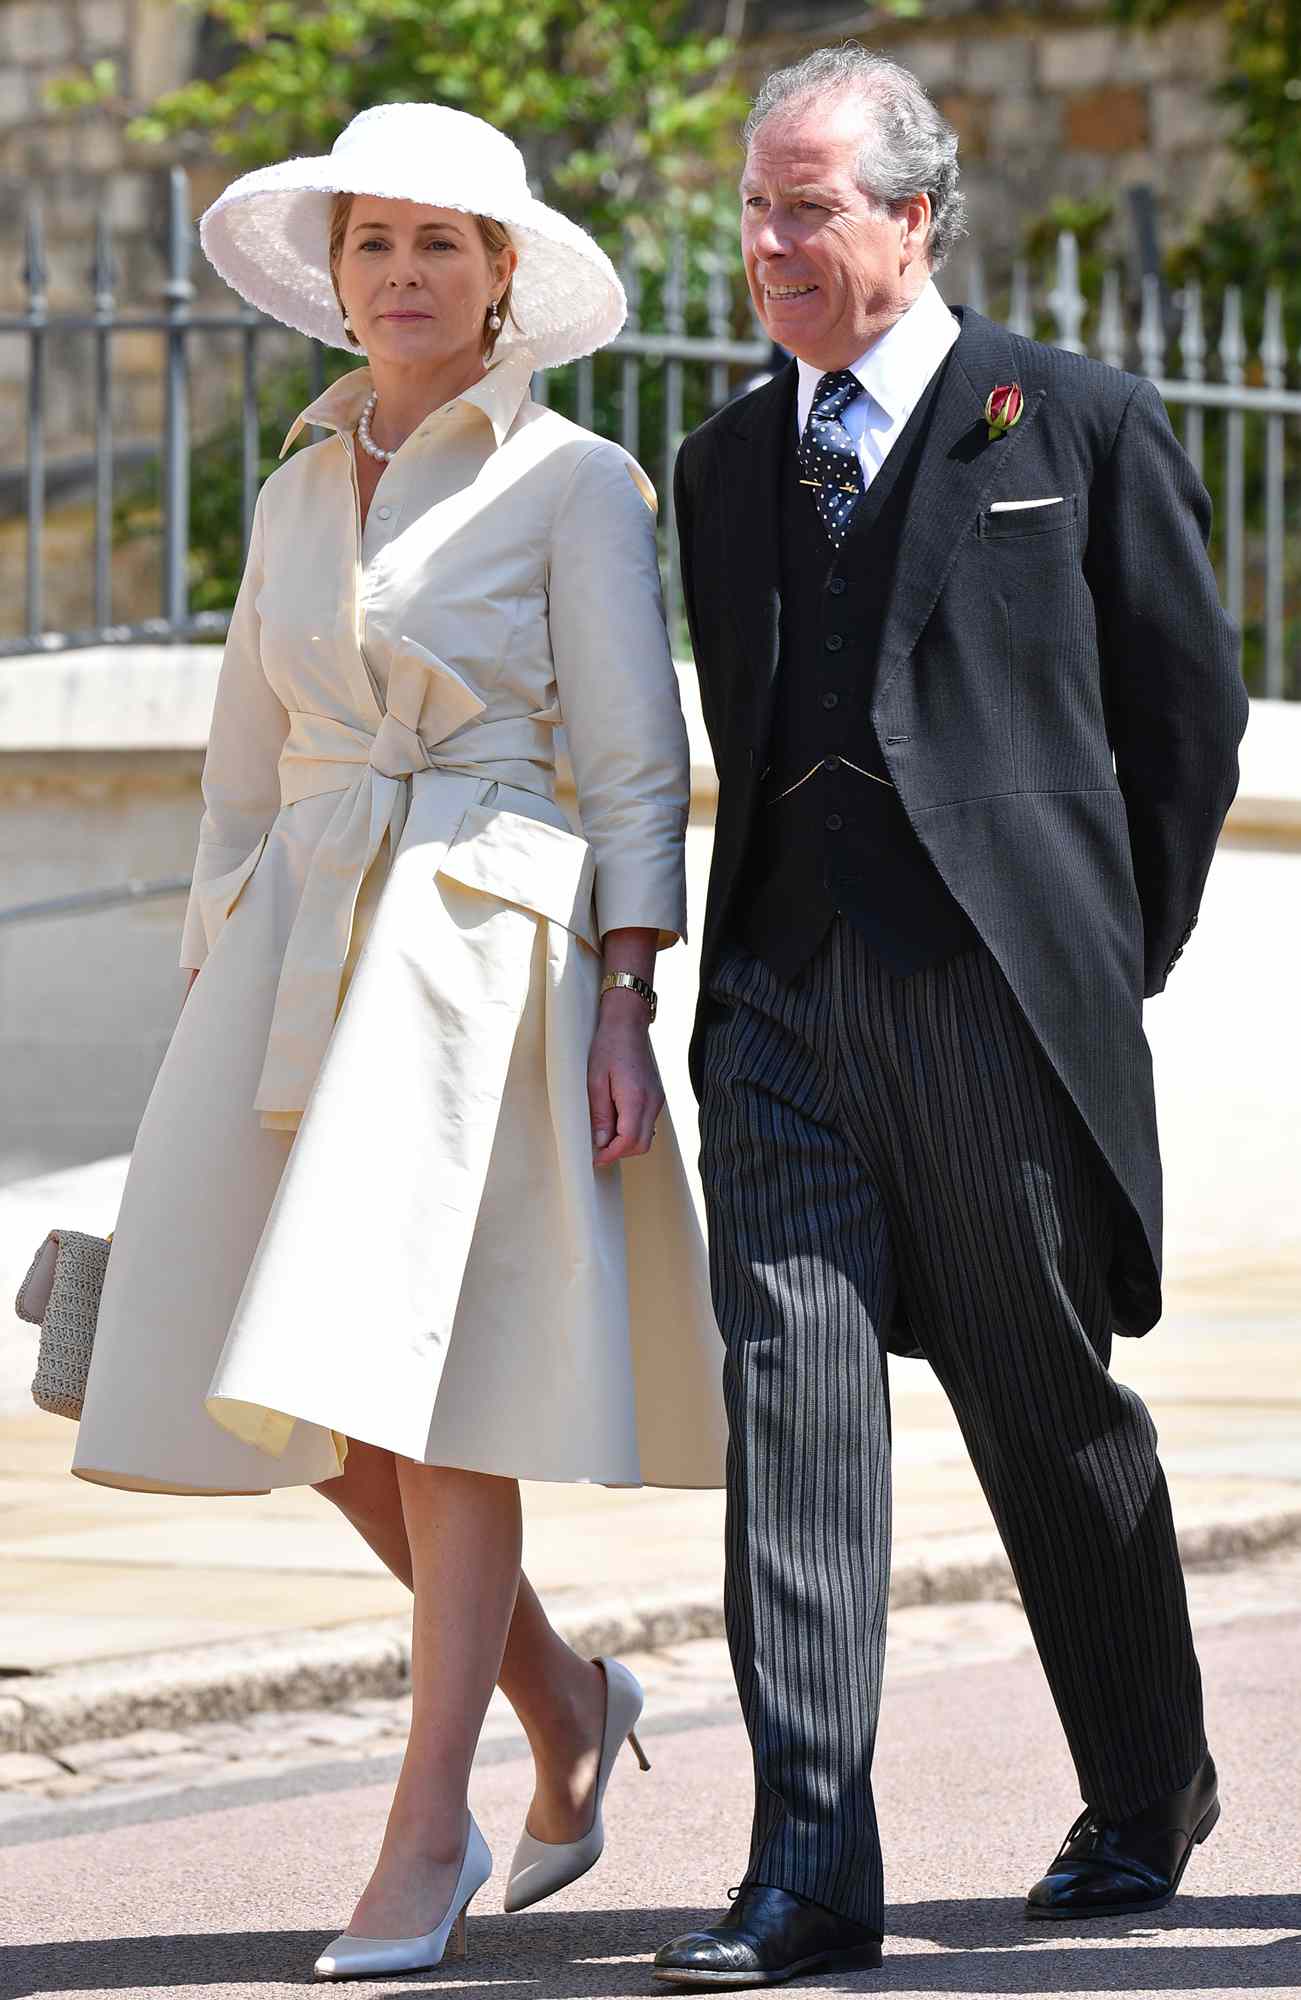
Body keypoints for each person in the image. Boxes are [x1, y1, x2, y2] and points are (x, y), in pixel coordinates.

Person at [70, 101, 725, 1979]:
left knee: (430, 1395)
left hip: (475, 953)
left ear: (502, 274)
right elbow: (237, 770)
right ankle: (568, 1703)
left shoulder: (577, 480)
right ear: (336, 274)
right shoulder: (289, 483)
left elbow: (629, 764)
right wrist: (221, 958)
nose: (406, 273)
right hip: (295, 944)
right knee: (270, 1370)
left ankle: (424, 1828)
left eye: (444, 243)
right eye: (375, 243)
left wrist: (624, 988)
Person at [656, 44, 1246, 1988]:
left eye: (805, 206)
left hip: (998, 1015)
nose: (767, 243)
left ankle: (1148, 1778)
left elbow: (1186, 726)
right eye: (753, 207)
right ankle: (811, 1866)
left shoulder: (1070, 416)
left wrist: (1090, 965)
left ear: (915, 215)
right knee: (792, 1420)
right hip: (780, 1015)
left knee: (1044, 1414)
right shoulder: (725, 464)